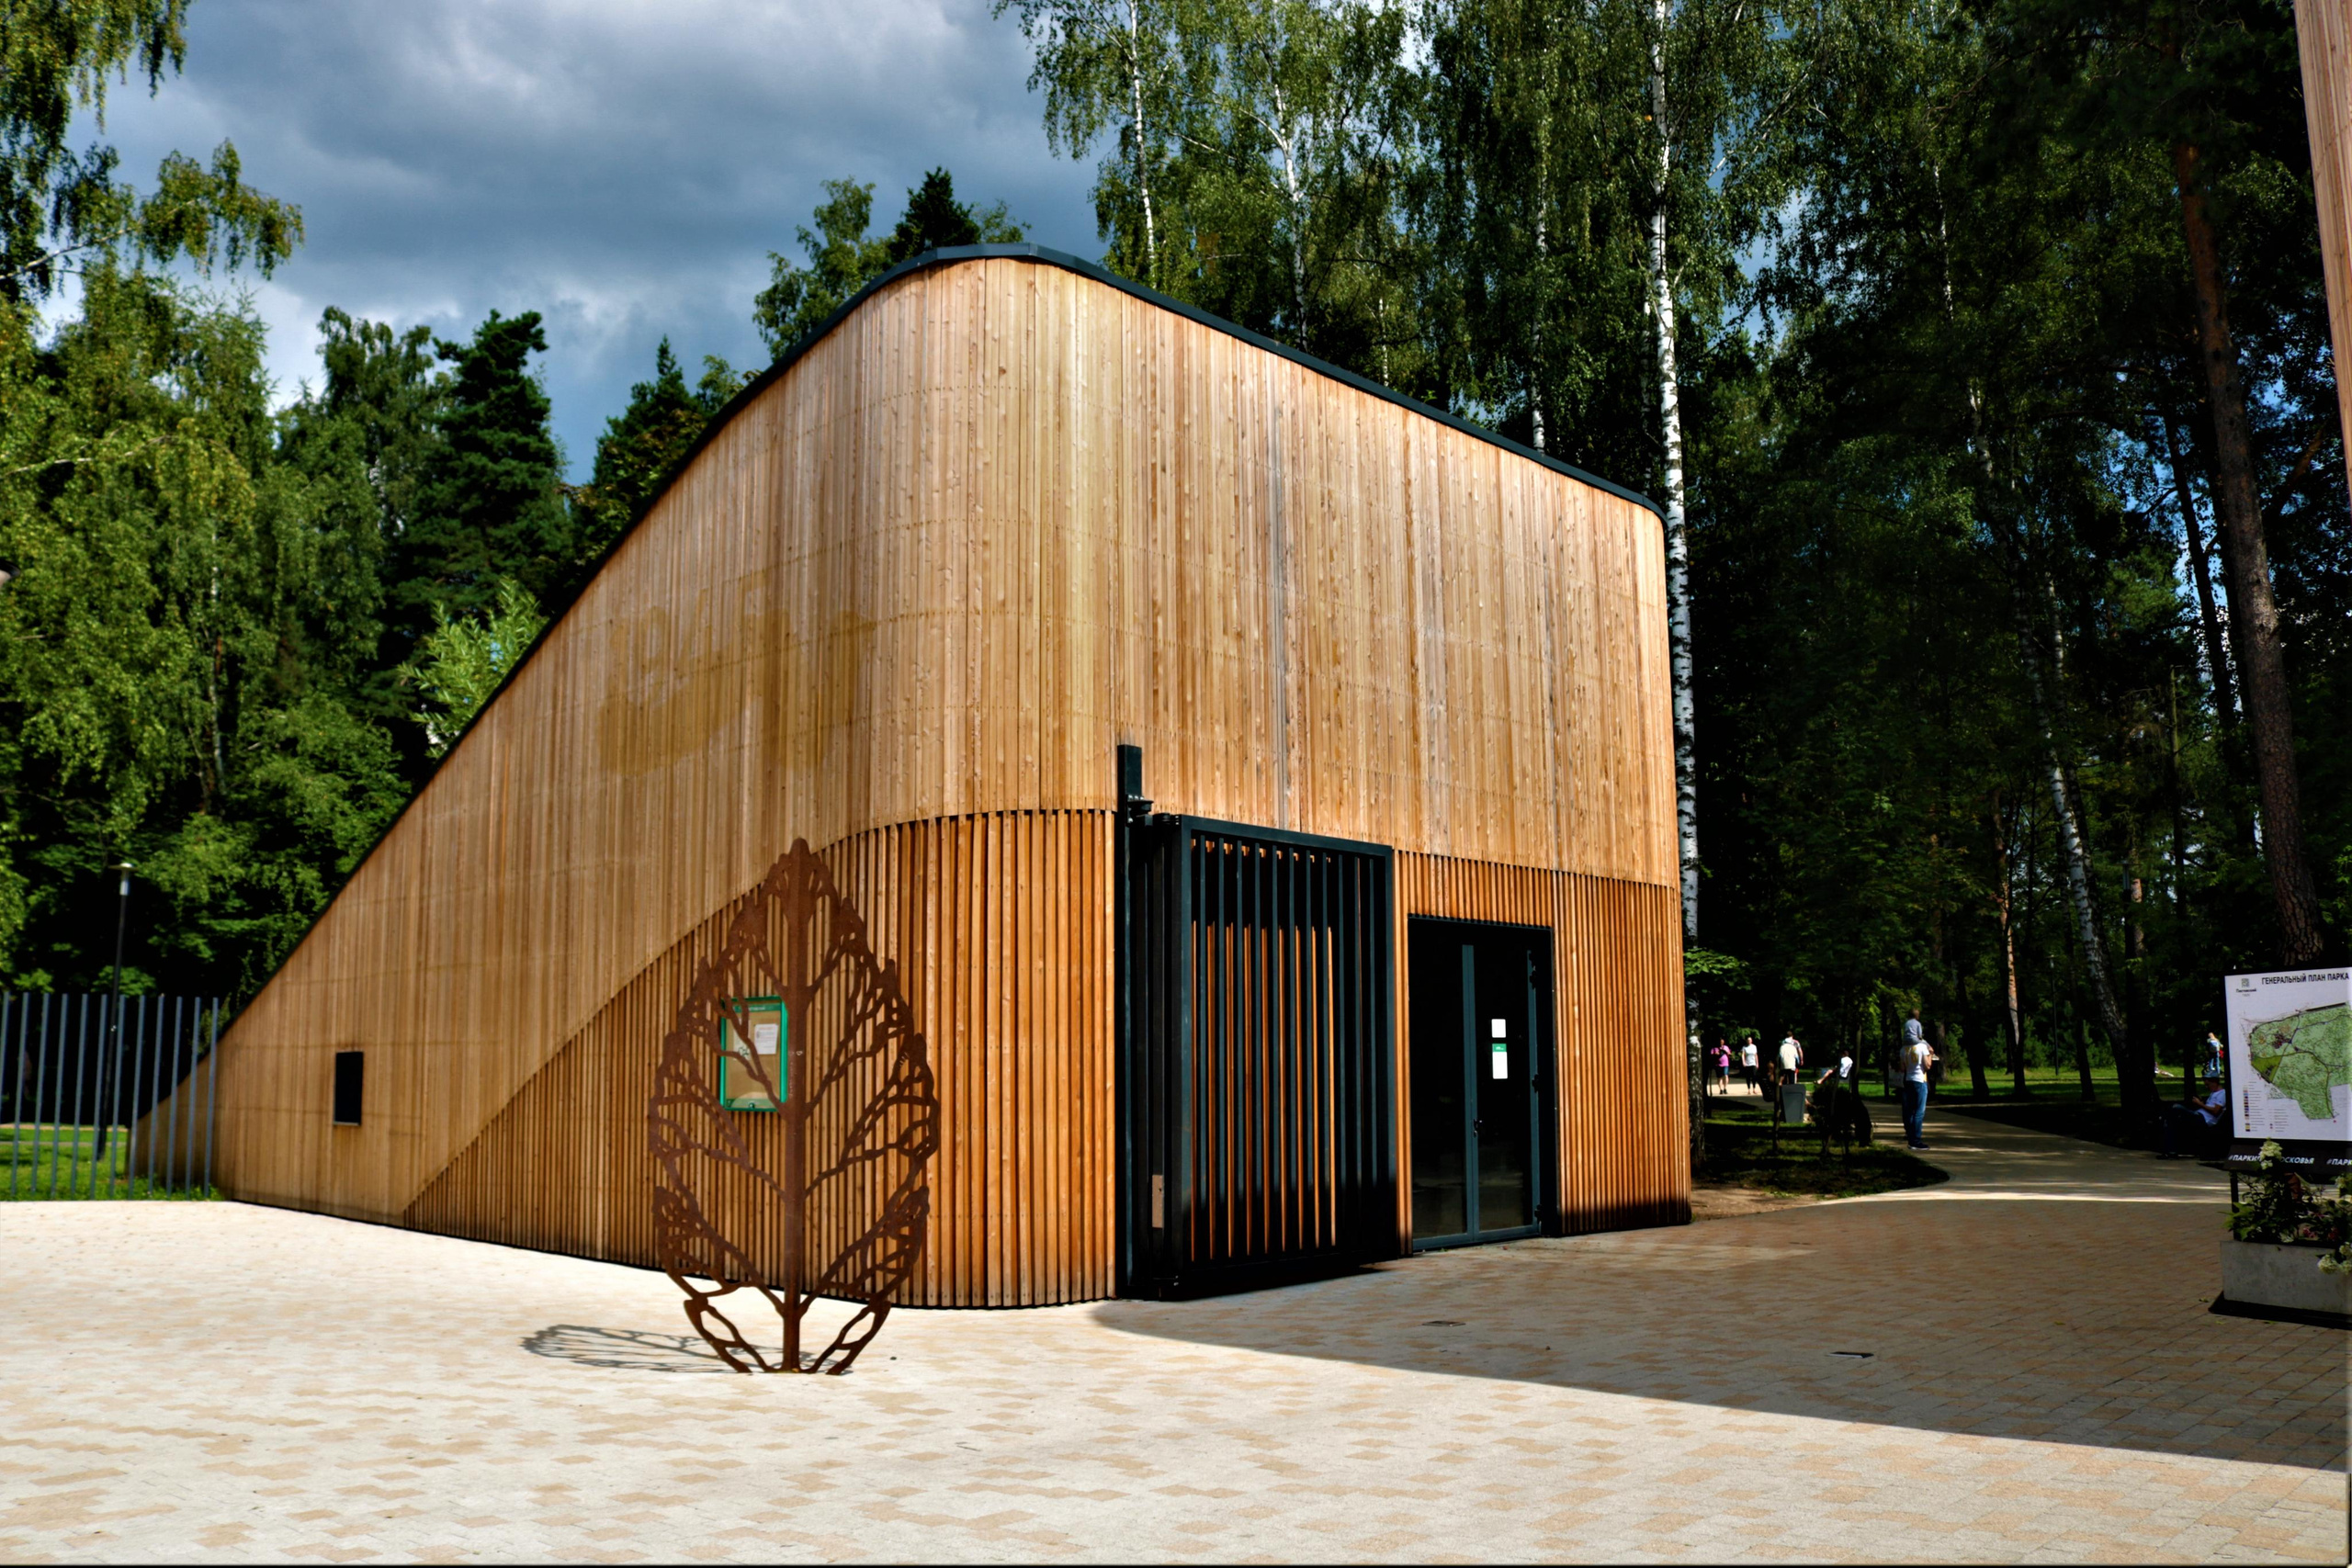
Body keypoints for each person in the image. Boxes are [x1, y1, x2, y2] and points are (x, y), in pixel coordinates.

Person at [2160, 1076, 2228, 1159]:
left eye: (2208, 1085)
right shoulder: (2213, 1093)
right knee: (2171, 1120)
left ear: (2215, 1082)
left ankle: (2171, 1150)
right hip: (2198, 1115)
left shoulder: (2222, 1094)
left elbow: (2215, 1111)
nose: (2207, 1087)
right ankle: (2171, 1151)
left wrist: (2200, 1104)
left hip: (2204, 1119)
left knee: (2175, 1107)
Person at [1899, 1028, 1935, 1150]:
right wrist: (1930, 1054)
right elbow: (1928, 1065)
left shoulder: (1904, 1049)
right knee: (1919, 1112)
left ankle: (1910, 1136)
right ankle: (1916, 1140)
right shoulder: (1922, 1047)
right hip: (1920, 1080)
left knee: (1910, 1111)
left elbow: (1902, 1068)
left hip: (1908, 1080)